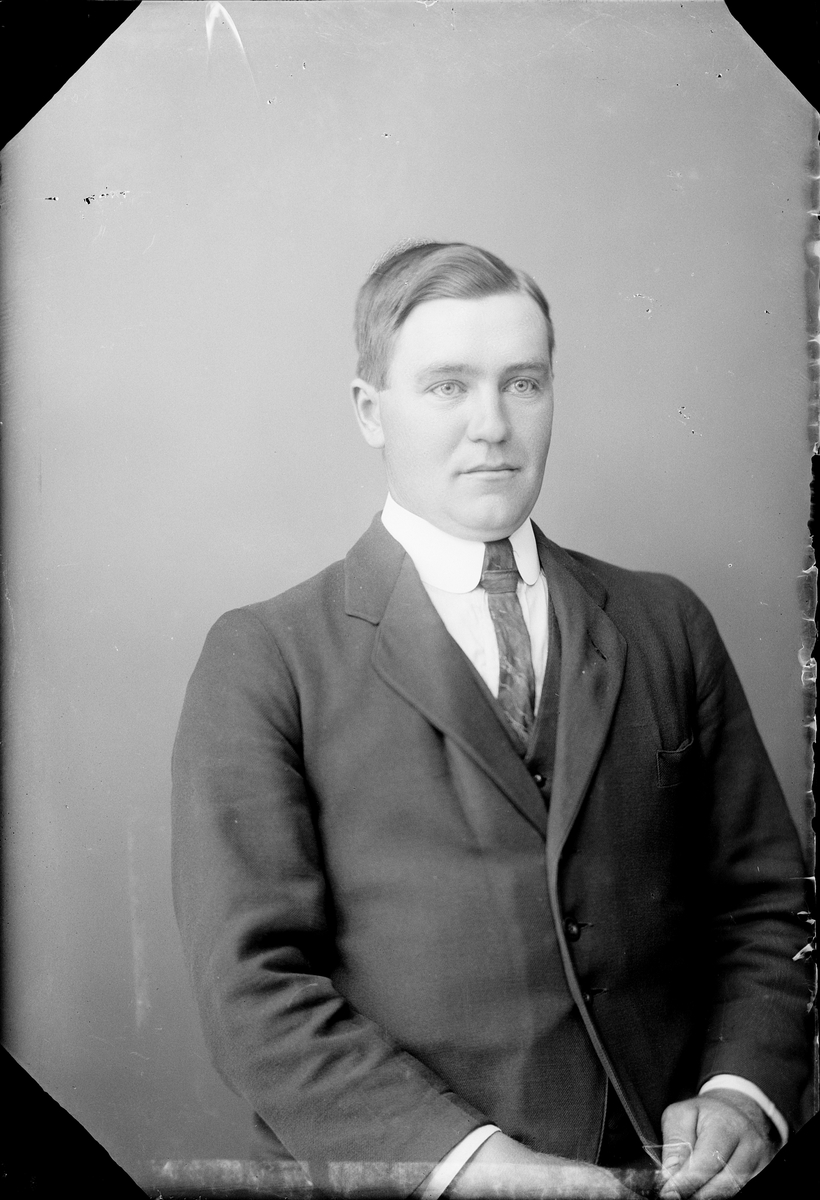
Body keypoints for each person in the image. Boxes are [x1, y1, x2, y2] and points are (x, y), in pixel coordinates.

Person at [171, 243, 812, 1199]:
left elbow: (768, 908)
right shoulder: (267, 656)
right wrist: (471, 1166)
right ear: (369, 411)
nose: (493, 426)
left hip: (671, 1180)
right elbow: (253, 988)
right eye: (447, 387)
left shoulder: (665, 623)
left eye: (523, 383)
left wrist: (741, 1093)